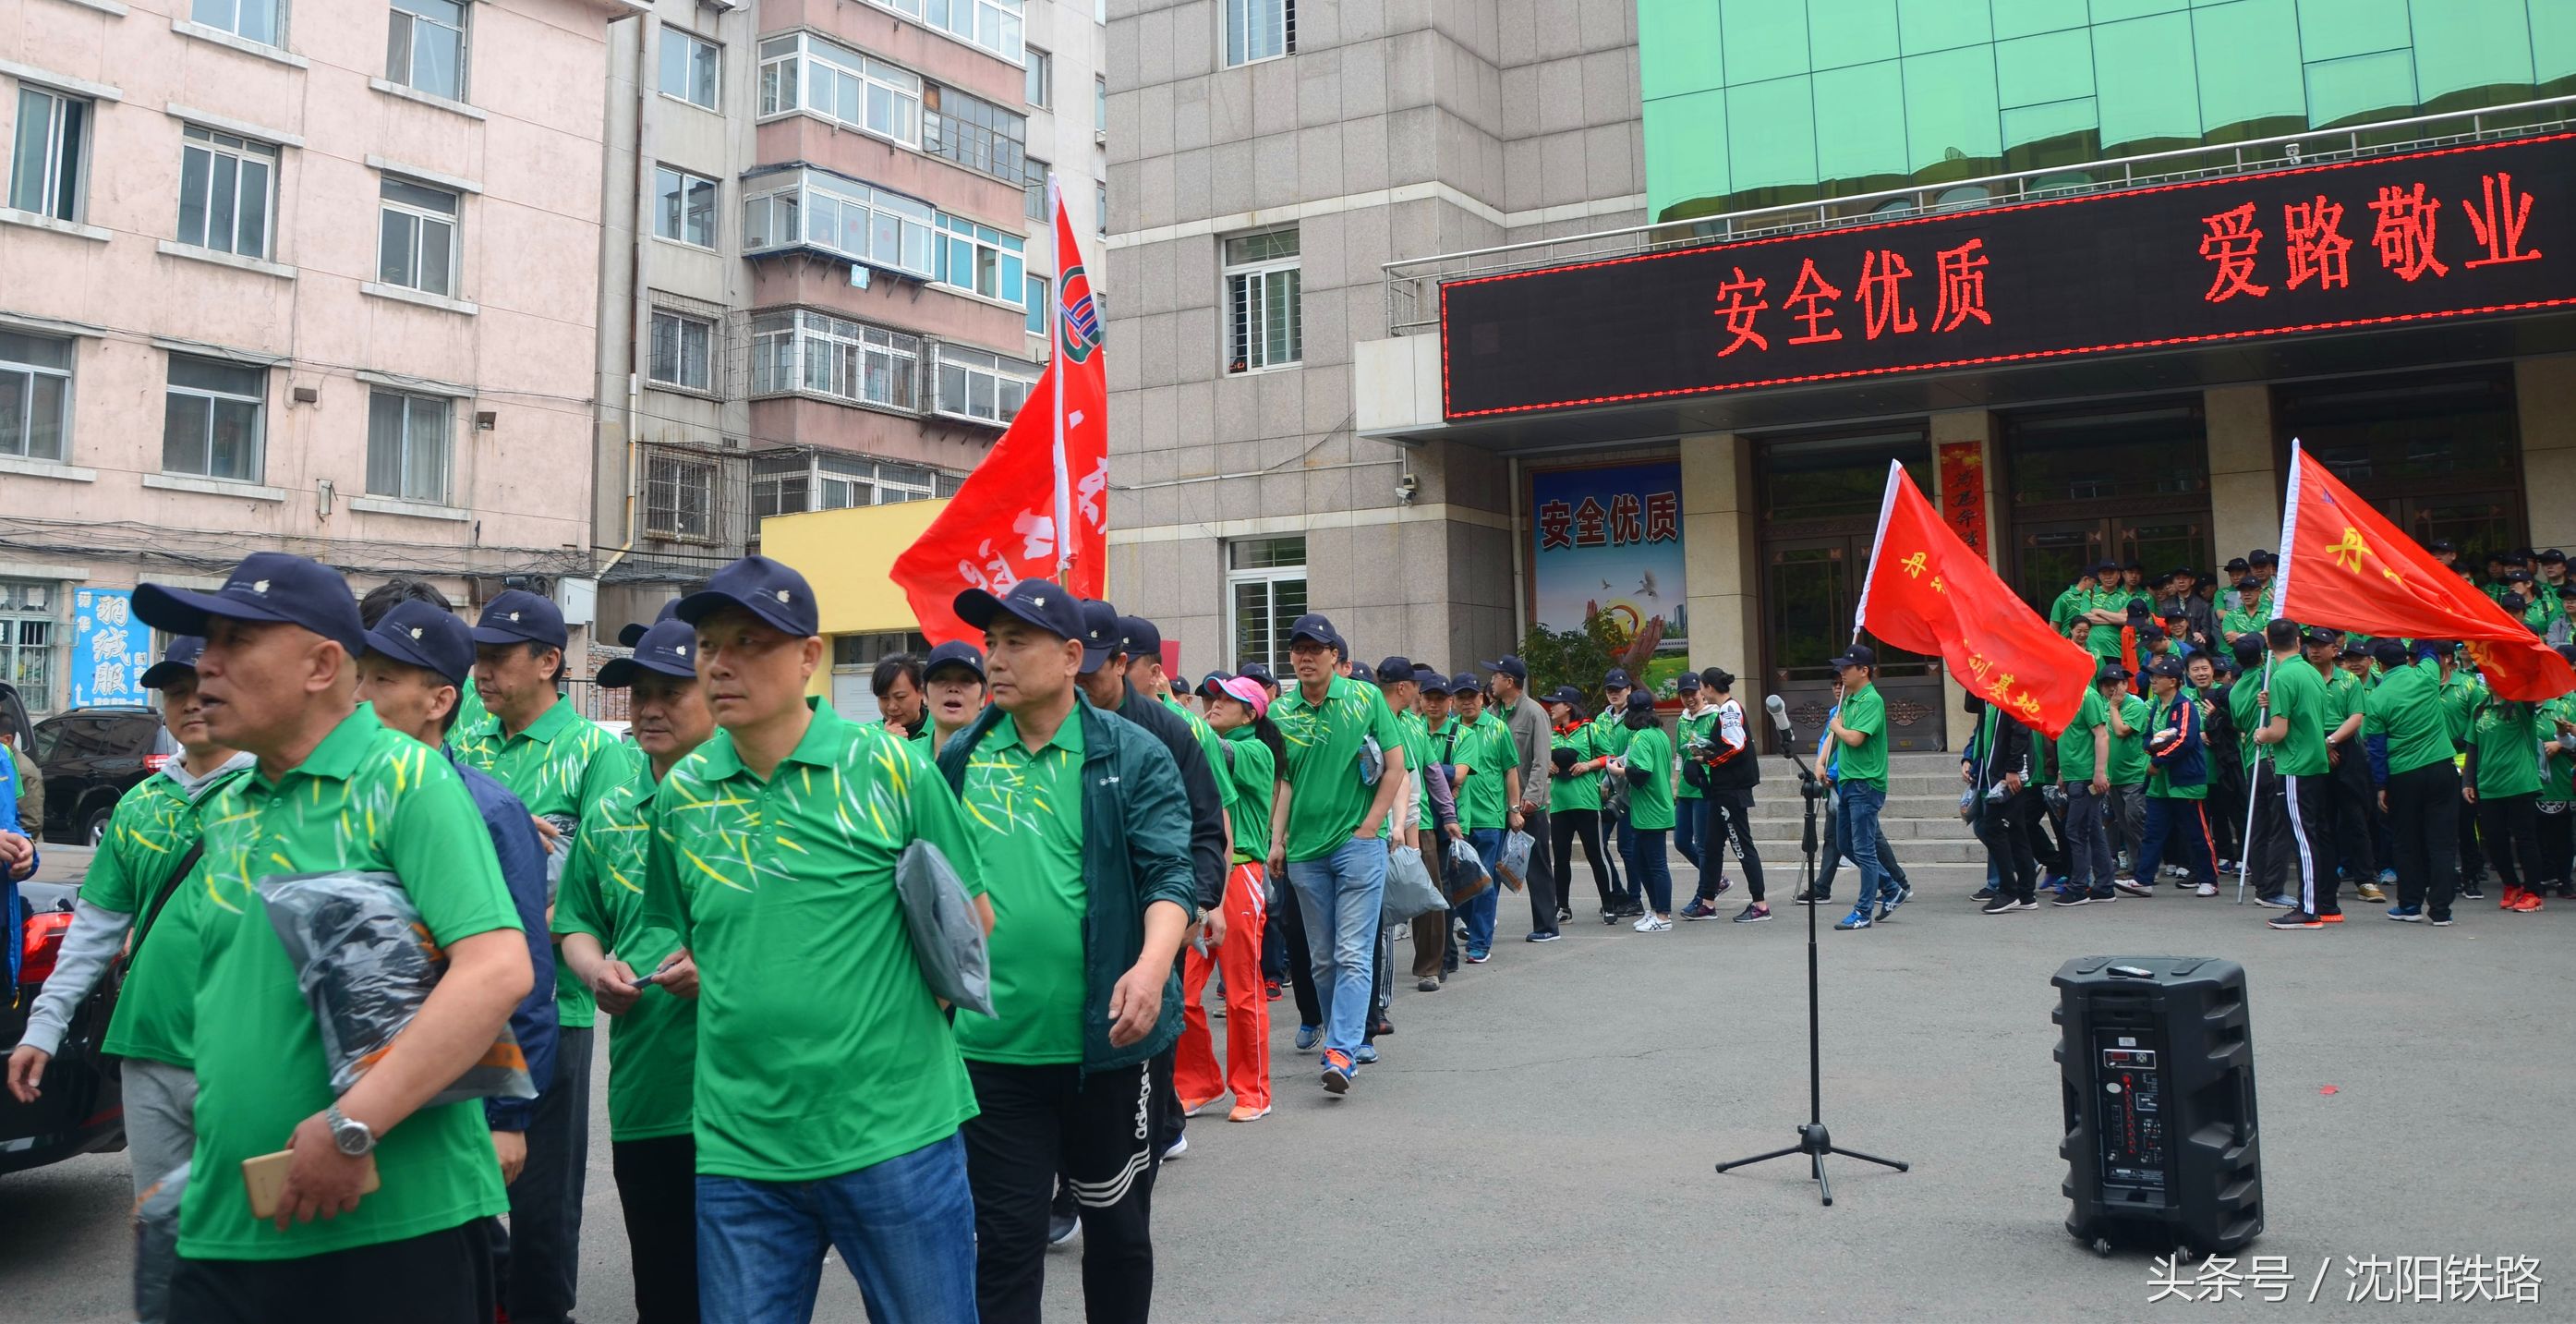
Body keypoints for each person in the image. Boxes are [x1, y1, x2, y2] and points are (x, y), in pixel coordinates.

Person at [135, 553, 533, 1324]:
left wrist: (354, 1124)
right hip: (229, 1223)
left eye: (235, 641)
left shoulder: (406, 780)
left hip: (390, 1225)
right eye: (206, 640)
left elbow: (497, 970)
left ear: (322, 666)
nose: (204, 663)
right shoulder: (231, 806)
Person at [638, 555, 984, 1322]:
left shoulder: (888, 769)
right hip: (740, 1151)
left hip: (894, 1136)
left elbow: (969, 924)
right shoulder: (681, 795)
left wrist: (885, 1031)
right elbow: (708, 941)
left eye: (748, 642)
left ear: (807, 656)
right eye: (707, 645)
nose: (719, 663)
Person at [940, 580, 1196, 1324]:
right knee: (1004, 1242)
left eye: (1016, 642)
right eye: (990, 642)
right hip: (990, 1049)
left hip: (1110, 1045)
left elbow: (1170, 874)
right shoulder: (961, 756)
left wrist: (1150, 967)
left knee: (1117, 1235)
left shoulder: (1132, 752)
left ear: (1070, 655)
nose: (995, 658)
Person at [8, 637, 253, 1233]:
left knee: (251, 1232)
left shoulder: (277, 796)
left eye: (205, 688)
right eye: (176, 692)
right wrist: (44, 1026)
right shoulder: (139, 806)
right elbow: (95, 928)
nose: (190, 703)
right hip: (148, 1049)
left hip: (251, 1053)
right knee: (163, 1232)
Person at [353, 597, 562, 1283]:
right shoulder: (334, 798)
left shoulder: (490, 810)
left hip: (453, 1091)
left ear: (440, 700)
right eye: (360, 675)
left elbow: (523, 976)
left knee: (448, 1263)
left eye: (383, 680)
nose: (361, 694)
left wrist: (509, 1116)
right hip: (350, 1086)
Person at [454, 589, 638, 1324]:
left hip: (551, 1007)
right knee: (455, 1189)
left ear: (549, 661)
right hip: (455, 1001)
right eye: (478, 656)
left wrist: (511, 924)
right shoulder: (463, 743)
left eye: (499, 657)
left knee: (541, 1203)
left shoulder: (595, 753)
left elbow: (601, 882)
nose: (482, 671)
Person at [554, 619, 711, 1324]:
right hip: (649, 1093)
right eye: (639, 693)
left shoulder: (755, 801)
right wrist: (596, 968)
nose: (649, 708)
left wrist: (718, 967)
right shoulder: (612, 812)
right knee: (666, 1293)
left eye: (670, 693)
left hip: (749, 1099)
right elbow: (575, 921)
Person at [1265, 613, 1408, 1095]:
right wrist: (1278, 840)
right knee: (1323, 959)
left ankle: (1343, 1050)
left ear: (1334, 656)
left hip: (1356, 846)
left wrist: (1372, 826)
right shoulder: (1280, 713)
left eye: (1315, 649)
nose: (1305, 657)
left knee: (1352, 952)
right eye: (1298, 649)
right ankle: (1336, 1039)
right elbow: (1284, 783)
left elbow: (1395, 765)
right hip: (1305, 852)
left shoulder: (1364, 698)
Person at [1179, 674, 1278, 1124]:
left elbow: (1213, 747)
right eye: (1211, 697)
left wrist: (1165, 707)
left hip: (1240, 874)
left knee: (1241, 992)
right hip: (1197, 875)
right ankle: (1199, 1084)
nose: (1213, 703)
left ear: (1251, 713)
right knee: (1182, 992)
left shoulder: (1255, 751)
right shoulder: (1205, 741)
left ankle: (1253, 1090)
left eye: (1226, 699)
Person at [2250, 618, 2340, 929]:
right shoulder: (2310, 672)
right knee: (2316, 835)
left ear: (2269, 644)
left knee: (2302, 838)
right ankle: (2324, 903)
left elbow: (2278, 730)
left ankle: (2308, 909)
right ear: (2299, 642)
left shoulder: (2282, 676)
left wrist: (2260, 735)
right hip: (2315, 761)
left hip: (2295, 765)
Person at [2369, 639, 2463, 925]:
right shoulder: (2426, 674)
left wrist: (2381, 786)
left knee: (2406, 842)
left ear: (2380, 665)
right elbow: (2429, 647)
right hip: (2441, 767)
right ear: (2407, 658)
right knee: (2442, 843)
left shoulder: (2376, 698)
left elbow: (2377, 748)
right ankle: (2441, 911)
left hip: (2404, 775)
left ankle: (2410, 905)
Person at [2303, 627, 2383, 902]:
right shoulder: (2302, 677)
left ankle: (2365, 879)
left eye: (2320, 645)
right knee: (2320, 819)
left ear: (2334, 650)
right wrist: (2320, 746)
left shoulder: (2348, 680)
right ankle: (2326, 880)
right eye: (2310, 645)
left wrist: (2331, 742)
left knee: (2355, 817)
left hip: (2345, 747)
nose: (2314, 650)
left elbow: (2356, 717)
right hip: (2312, 747)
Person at [1484, 655, 1563, 933]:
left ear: (1509, 681)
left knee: (1537, 867)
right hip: (1497, 803)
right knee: (1491, 865)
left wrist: (1531, 797)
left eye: (1496, 676)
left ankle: (1547, 926)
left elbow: (1542, 760)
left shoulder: (1534, 713)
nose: (1491, 681)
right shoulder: (1491, 713)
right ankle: (1482, 924)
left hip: (1529, 805)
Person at [1447, 674, 1523, 956]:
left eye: (1472, 696)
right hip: (1458, 819)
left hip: (1490, 817)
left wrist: (1513, 810)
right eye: (1461, 697)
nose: (1467, 702)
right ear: (1453, 701)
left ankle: (1480, 943)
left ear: (1482, 698)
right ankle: (1475, 927)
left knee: (1485, 881)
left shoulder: (1498, 728)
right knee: (1459, 883)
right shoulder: (1450, 729)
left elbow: (1510, 771)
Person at [1681, 667, 1766, 921]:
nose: (1700, 692)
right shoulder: (1725, 709)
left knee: (1742, 846)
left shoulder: (1729, 709)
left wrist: (1708, 758)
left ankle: (1760, 905)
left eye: (1701, 687)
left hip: (1732, 790)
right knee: (1711, 846)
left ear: (1708, 687)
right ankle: (1707, 902)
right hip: (1720, 790)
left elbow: (1735, 746)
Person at [2130, 656, 2218, 898]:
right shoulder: (2156, 706)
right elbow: (2148, 736)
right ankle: (2143, 879)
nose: (2153, 680)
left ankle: (2209, 879)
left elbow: (2184, 740)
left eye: (2158, 677)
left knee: (2196, 833)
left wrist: (2157, 760)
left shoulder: (2185, 706)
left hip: (2184, 781)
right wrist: (2151, 747)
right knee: (2153, 832)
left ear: (2173, 681)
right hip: (2160, 784)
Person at [1827, 646, 1895, 930]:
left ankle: (1863, 911)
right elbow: (1836, 738)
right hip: (1848, 780)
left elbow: (1854, 738)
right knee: (1845, 844)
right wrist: (1823, 763)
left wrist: (1837, 727)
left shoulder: (1871, 700)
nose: (1842, 672)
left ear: (1864, 670)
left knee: (1864, 849)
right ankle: (1891, 886)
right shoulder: (1850, 700)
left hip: (1866, 783)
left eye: (1847, 667)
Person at [2465, 687, 2549, 913]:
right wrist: (2468, 782)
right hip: (2489, 785)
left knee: (2525, 838)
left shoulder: (2521, 705)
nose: (2490, 679)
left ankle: (2532, 893)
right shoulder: (2480, 708)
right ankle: (2511, 885)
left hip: (2520, 783)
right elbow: (2473, 747)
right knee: (2494, 840)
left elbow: (2530, 692)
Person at [1540, 686, 1618, 921]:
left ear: (1568, 707)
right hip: (1559, 804)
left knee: (1596, 855)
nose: (1551, 707)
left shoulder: (1590, 729)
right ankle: (1562, 907)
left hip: (1586, 802)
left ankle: (1609, 905)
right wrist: (1547, 767)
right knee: (1561, 858)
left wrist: (1588, 765)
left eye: (1555, 703)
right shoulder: (1551, 734)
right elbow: (1538, 761)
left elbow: (1610, 757)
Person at [1965, 693, 2041, 914]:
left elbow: (2021, 731)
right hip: (1996, 774)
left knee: (1993, 829)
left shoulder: (2010, 693)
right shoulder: (1990, 698)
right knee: (2017, 832)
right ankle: (2026, 894)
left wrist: (2013, 769)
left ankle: (2009, 892)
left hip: (2007, 775)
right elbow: (1970, 706)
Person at [1608, 690, 1676, 930]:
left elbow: (1641, 772)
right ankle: (1656, 909)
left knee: (1656, 864)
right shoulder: (1659, 734)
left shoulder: (1641, 737)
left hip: (1651, 809)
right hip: (1653, 807)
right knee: (1640, 859)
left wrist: (1617, 770)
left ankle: (1663, 915)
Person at [2052, 667, 2116, 907]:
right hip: (2074, 775)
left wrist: (2099, 772)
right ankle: (2104, 886)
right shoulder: (2066, 698)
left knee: (2076, 831)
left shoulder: (2087, 697)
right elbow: (2068, 737)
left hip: (2085, 776)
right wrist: (2062, 771)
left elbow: (2102, 735)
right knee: (2092, 830)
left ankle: (2078, 887)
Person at [2102, 666, 2152, 893]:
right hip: (2114, 776)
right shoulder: (2102, 704)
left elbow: (2121, 731)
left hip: (2135, 775)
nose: (2112, 689)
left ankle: (2146, 869)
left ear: (2125, 684)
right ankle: (2136, 867)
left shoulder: (2135, 705)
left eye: (2117, 683)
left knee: (2136, 820)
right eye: (2107, 685)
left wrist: (2114, 707)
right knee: (2124, 824)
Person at [913, 640, 989, 759]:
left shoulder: (1005, 762)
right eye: (941, 678)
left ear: (983, 697)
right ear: (925, 695)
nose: (953, 688)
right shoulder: (904, 758)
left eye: (966, 680)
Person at [1671, 671, 1712, 881]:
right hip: (1685, 788)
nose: (1689, 699)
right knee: (1681, 841)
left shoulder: (1715, 717)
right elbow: (1680, 754)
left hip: (1705, 788)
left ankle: (1706, 889)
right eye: (1684, 695)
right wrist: (1676, 783)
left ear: (1702, 692)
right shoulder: (1682, 720)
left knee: (1703, 844)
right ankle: (1716, 879)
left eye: (1693, 693)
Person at [871, 652, 926, 738]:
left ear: (921, 692)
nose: (892, 707)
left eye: (900, 697)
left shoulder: (941, 730)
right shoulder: (869, 735)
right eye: (884, 698)